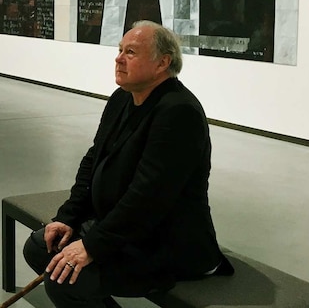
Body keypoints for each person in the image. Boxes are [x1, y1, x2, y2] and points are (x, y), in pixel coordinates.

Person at [23, 20, 232, 308]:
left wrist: (92, 245)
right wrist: (68, 217)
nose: (118, 58)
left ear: (163, 63)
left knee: (68, 279)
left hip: (163, 244)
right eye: (120, 50)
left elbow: (149, 197)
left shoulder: (178, 112)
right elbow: (93, 161)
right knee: (38, 247)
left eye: (130, 52)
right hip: (125, 231)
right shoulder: (122, 98)